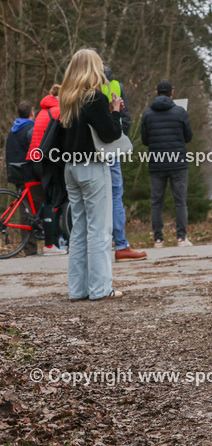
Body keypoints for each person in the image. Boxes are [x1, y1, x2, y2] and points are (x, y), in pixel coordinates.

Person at [59, 48, 125, 300]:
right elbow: (110, 134)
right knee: (99, 229)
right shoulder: (94, 98)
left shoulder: (67, 99)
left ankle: (77, 290)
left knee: (79, 230)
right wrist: (115, 111)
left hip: (71, 167)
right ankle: (100, 289)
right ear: (93, 68)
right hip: (92, 166)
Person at [140, 79, 193, 247]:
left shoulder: (147, 114)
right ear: (172, 93)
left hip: (156, 163)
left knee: (156, 203)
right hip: (178, 162)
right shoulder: (180, 112)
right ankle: (181, 238)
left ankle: (158, 239)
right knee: (180, 202)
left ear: (156, 93)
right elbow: (188, 137)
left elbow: (145, 140)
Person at [103, 66, 146, 262]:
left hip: (87, 150)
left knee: (90, 196)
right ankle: (121, 245)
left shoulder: (84, 85)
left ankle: (94, 245)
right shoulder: (117, 86)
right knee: (115, 195)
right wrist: (120, 139)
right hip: (111, 146)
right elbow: (125, 118)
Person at [26, 85, 67, 255]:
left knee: (46, 199)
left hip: (34, 158)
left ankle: (51, 240)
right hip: (46, 159)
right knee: (52, 198)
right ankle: (50, 245)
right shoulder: (58, 111)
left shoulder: (44, 111)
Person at [5, 100, 38, 256]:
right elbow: (35, 152)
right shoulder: (30, 129)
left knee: (25, 208)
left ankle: (30, 247)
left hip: (15, 172)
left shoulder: (13, 130)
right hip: (27, 172)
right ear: (31, 113)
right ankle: (32, 247)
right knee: (30, 208)